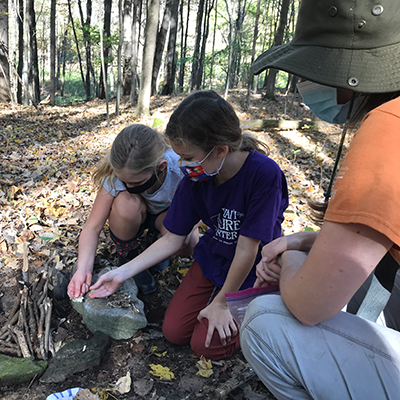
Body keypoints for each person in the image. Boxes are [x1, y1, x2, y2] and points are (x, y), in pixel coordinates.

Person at [240, 0, 400, 399]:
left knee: (264, 321)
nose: (303, 84)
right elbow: (380, 240)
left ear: (346, 75)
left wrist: (289, 257)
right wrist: (300, 241)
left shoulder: (388, 129)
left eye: (309, 70)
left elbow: (310, 305)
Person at [88, 90, 289, 360]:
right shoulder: (199, 175)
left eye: (188, 157)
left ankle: (263, 313)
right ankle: (222, 301)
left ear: (220, 150)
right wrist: (122, 273)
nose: (182, 165)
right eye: (179, 156)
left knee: (206, 346)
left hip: (256, 268)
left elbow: (247, 249)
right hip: (214, 257)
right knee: (174, 331)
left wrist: (222, 303)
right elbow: (173, 237)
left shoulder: (263, 175)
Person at [68, 124, 198, 298]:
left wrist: (176, 237)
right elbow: (92, 227)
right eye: (124, 181)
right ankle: (128, 254)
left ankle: (155, 246)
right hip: (136, 211)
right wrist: (83, 268)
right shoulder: (117, 175)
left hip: (168, 214)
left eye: (136, 183)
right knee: (124, 204)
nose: (128, 186)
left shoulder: (180, 169)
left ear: (161, 167)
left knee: (188, 242)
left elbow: (195, 218)